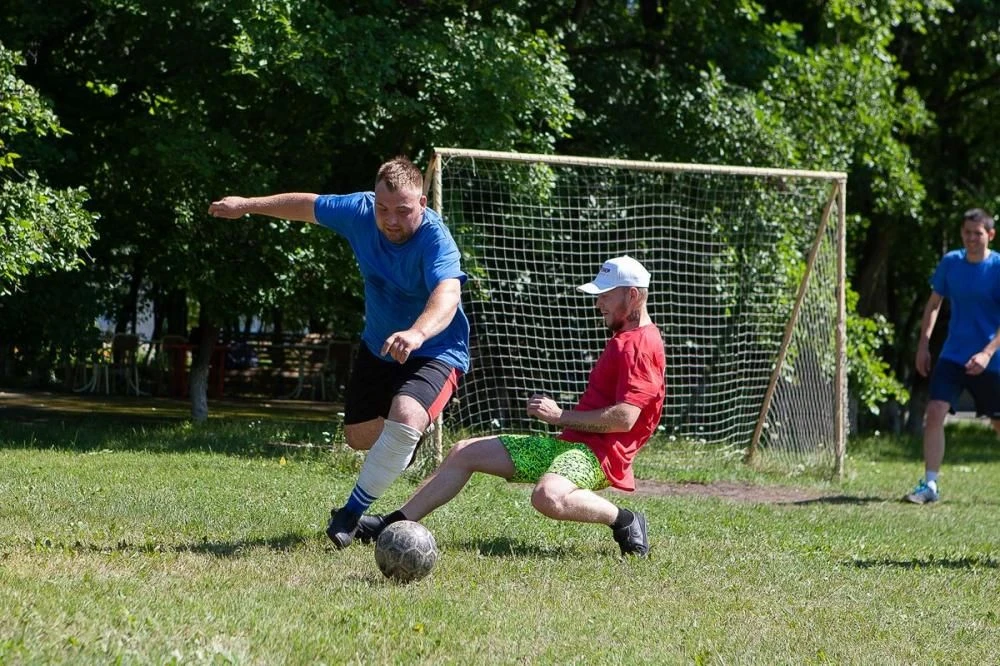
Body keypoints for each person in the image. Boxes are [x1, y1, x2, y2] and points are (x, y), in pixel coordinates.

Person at [208, 156, 470, 547]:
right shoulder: (359, 211)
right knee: (359, 437)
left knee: (405, 417)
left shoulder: (436, 240)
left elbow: (448, 294)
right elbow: (306, 205)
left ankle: (350, 514)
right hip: (378, 346)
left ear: (422, 204)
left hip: (435, 349)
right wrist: (247, 205)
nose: (391, 220)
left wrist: (416, 333)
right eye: (383, 209)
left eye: (403, 211)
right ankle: (404, 441)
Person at [356, 255, 665, 558]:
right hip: (570, 448)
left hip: (597, 457)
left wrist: (560, 416)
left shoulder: (639, 345)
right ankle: (390, 524)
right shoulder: (626, 339)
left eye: (606, 295)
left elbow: (625, 418)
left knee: (547, 496)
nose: (598, 303)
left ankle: (625, 520)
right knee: (464, 451)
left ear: (632, 295)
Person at [906, 208, 1000, 504]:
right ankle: (930, 485)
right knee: (935, 411)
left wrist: (987, 353)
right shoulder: (951, 262)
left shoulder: (998, 267)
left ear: (990, 235)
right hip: (953, 355)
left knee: (998, 423)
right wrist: (923, 344)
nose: (971, 238)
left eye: (978, 233)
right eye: (967, 232)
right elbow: (934, 304)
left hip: (992, 358)